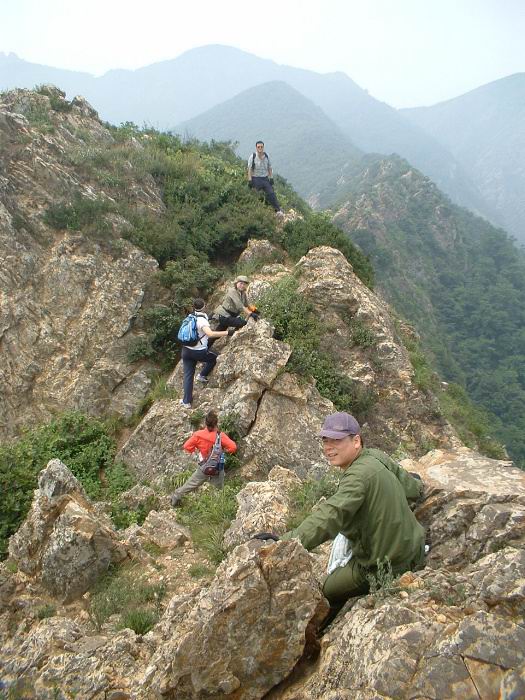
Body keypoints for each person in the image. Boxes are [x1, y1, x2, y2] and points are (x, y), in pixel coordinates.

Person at [256, 412, 425, 612]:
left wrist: (284, 544)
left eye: (336, 440)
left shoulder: (357, 477)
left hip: (386, 567)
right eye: (325, 440)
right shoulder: (376, 456)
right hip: (414, 547)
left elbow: (330, 516)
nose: (328, 447)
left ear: (356, 441)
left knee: (324, 591)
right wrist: (414, 482)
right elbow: (413, 488)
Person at [170, 410, 237, 506]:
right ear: (216, 423)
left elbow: (186, 446)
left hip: (204, 466)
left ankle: (177, 496)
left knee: (191, 484)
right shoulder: (220, 436)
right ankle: (217, 507)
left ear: (205, 422)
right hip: (217, 468)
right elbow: (233, 447)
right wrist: (223, 452)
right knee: (218, 490)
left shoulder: (198, 435)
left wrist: (196, 449)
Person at [180, 298, 234, 408]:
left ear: (194, 307)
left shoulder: (190, 317)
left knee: (188, 375)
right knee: (214, 358)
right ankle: (202, 375)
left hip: (185, 350)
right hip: (198, 351)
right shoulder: (202, 320)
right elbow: (210, 334)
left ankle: (186, 402)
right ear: (204, 306)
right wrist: (228, 332)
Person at [247, 140, 284, 216]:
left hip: (265, 178)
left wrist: (271, 178)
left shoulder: (267, 156)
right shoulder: (253, 156)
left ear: (263, 147)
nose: (260, 148)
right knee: (255, 195)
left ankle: (278, 210)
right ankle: (253, 211)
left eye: (261, 147)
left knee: (271, 193)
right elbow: (249, 169)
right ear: (256, 148)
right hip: (256, 178)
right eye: (258, 147)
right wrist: (250, 180)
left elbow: (269, 168)